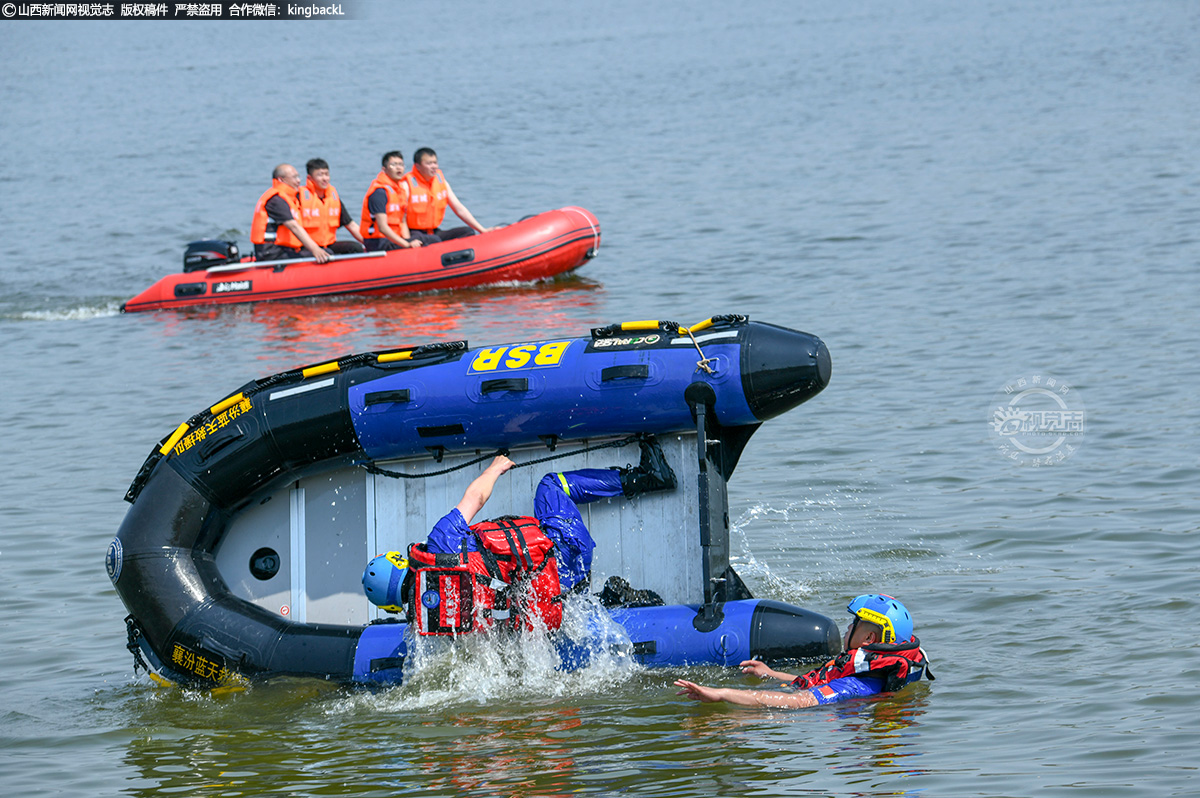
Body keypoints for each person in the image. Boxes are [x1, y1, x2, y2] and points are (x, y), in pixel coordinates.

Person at [362, 436, 677, 613]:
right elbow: (476, 497)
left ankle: (612, 599)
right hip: (567, 552)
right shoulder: (441, 541)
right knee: (551, 486)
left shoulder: (439, 619)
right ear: (399, 560)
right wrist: (495, 469)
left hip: (559, 596)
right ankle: (647, 478)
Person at [675, 594, 933, 708]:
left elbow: (799, 701)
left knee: (736, 722)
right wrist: (771, 674)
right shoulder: (867, 674)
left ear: (868, 639)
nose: (845, 630)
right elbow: (818, 680)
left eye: (852, 625)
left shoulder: (855, 686)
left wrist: (722, 694)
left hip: (809, 719)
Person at [403, 147, 498, 245]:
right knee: (434, 240)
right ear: (418, 166)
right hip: (414, 233)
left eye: (435, 163)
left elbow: (459, 209)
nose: (434, 166)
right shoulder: (407, 185)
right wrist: (407, 241)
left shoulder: (442, 182)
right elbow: (401, 218)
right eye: (429, 163)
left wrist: (482, 230)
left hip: (434, 231)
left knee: (467, 232)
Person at [249, 164, 331, 263]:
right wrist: (315, 249)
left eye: (298, 177)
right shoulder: (276, 200)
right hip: (272, 253)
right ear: (281, 180)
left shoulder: (288, 198)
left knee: (328, 250)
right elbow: (293, 226)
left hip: (283, 249)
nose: (298, 181)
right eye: (294, 177)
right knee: (327, 253)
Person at [360, 151, 424, 252]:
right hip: (378, 242)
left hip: (393, 239)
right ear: (384, 169)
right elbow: (382, 228)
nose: (398, 168)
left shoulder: (399, 191)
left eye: (401, 164)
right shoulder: (379, 192)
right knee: (427, 241)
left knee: (425, 238)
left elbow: (402, 222)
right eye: (393, 165)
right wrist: (407, 244)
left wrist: (408, 242)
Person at [299, 158, 365, 255]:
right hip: (307, 247)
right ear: (309, 178)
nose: (325, 178)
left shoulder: (333, 198)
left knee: (355, 248)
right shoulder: (299, 197)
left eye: (326, 174)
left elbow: (351, 225)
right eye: (320, 175)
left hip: (329, 244)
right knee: (328, 252)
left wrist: (370, 243)